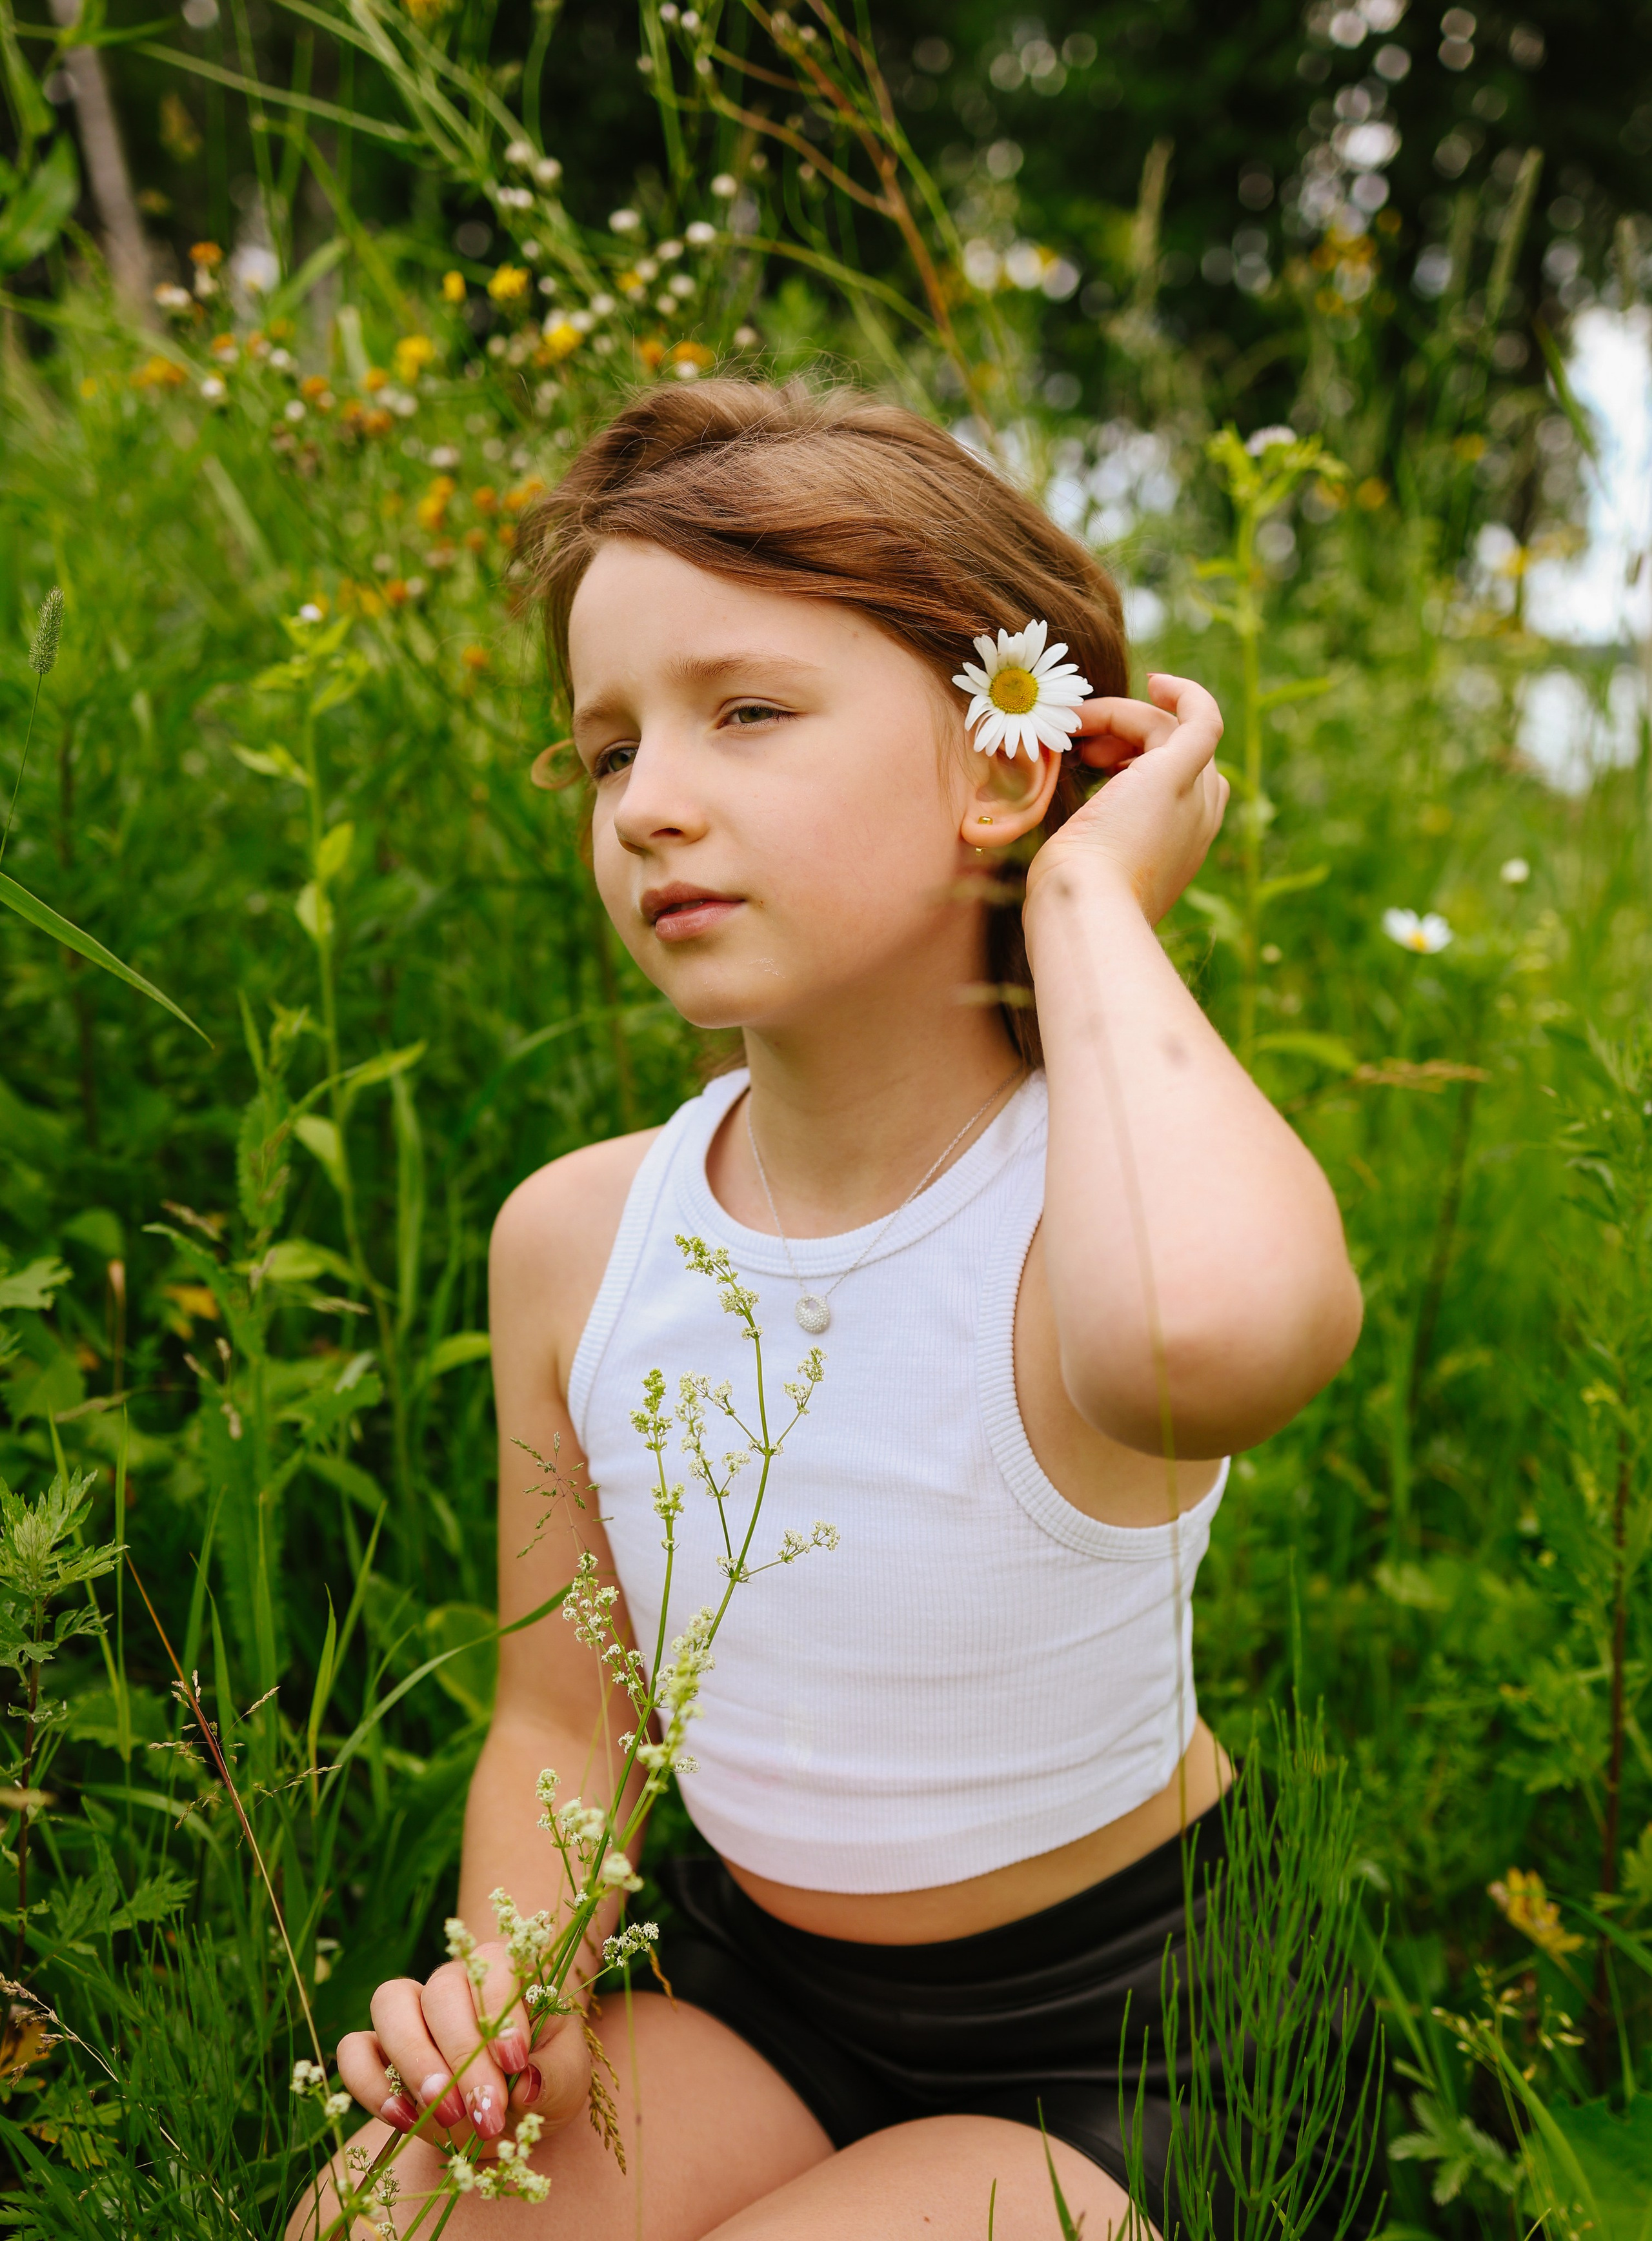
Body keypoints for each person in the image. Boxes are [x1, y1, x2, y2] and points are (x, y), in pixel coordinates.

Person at [303, 381, 1364, 2239]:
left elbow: (1219, 1343)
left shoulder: (1091, 1211)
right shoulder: (578, 1240)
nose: (654, 805)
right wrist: (510, 1997)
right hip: (764, 1989)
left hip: (1128, 2046)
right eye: (607, 750)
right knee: (381, 2222)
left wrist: (1094, 909)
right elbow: (563, 1719)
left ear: (1000, 766)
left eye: (749, 713)